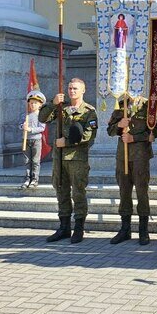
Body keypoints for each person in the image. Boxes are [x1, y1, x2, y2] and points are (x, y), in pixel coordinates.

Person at [39, 78, 98, 244]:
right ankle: (64, 227)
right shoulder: (61, 108)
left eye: (75, 89)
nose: (72, 91)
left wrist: (68, 142)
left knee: (78, 193)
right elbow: (43, 118)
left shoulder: (89, 111)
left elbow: (89, 135)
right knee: (61, 191)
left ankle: (79, 227)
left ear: (83, 90)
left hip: (77, 159)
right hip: (59, 158)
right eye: (70, 88)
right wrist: (52, 102)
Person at [107, 95, 157, 246]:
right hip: (122, 157)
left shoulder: (148, 106)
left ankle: (143, 229)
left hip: (140, 157)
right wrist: (119, 126)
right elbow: (110, 130)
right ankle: (125, 229)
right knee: (124, 193)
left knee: (142, 193)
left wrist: (134, 139)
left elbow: (155, 131)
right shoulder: (120, 105)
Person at [19, 90, 46, 189]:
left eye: (35, 103)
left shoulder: (41, 116)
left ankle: (34, 179)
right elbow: (19, 125)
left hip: (36, 140)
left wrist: (30, 129)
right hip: (26, 140)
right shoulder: (25, 115)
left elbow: (42, 128)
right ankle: (27, 179)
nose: (33, 105)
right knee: (27, 160)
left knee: (35, 161)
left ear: (40, 104)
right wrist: (23, 126)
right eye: (31, 103)